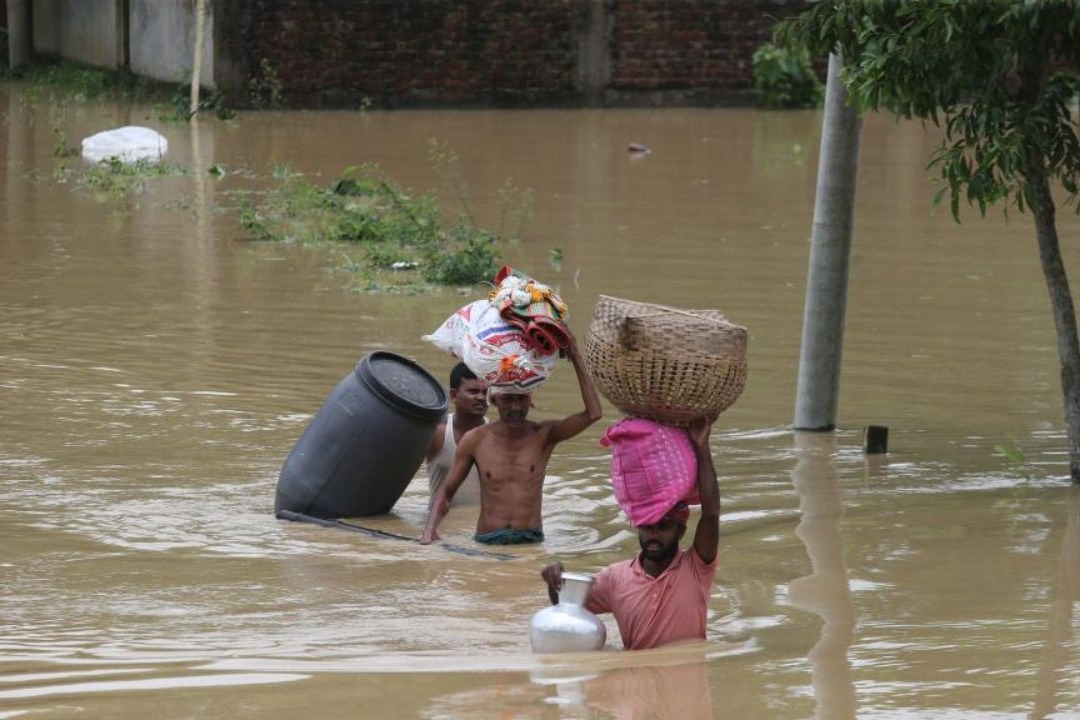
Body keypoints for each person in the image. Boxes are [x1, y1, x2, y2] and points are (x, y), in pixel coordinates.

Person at [540, 417, 720, 650]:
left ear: (681, 530)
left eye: (663, 527)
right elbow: (568, 611)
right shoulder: (616, 578)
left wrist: (702, 447)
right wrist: (554, 580)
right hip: (634, 682)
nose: (653, 534)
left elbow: (711, 513)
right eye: (647, 526)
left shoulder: (696, 568)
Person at [420, 329, 602, 545]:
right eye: (507, 399)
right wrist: (429, 531)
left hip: (531, 540)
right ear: (495, 401)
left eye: (521, 399)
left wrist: (575, 356)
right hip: (488, 540)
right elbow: (447, 492)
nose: (514, 407)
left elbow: (593, 413)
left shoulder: (544, 435)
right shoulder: (476, 440)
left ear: (530, 402)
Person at [425, 362, 489, 508]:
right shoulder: (436, 433)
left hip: (483, 527)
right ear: (454, 395)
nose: (481, 397)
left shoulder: (496, 435)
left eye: (485, 392)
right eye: (473, 391)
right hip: (440, 525)